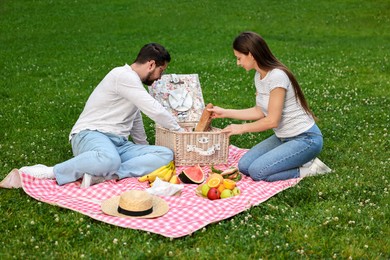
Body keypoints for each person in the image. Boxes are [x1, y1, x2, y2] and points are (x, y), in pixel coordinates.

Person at [17, 43, 182, 188]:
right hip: (90, 135)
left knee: (165, 155)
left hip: (118, 145)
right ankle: (51, 171)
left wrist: (144, 147)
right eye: (161, 70)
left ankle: (104, 175)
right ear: (151, 64)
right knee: (109, 158)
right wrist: (179, 130)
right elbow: (154, 109)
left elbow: (135, 119)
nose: (160, 77)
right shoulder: (122, 75)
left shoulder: (134, 84)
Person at [209, 31, 331, 182]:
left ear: (251, 55)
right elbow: (259, 111)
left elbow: (272, 120)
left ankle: (310, 169)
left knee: (257, 172)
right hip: (283, 138)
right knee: (244, 166)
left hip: (306, 139)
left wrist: (240, 128)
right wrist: (225, 112)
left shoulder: (277, 77)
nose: (238, 63)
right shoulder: (259, 76)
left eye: (239, 58)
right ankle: (293, 158)